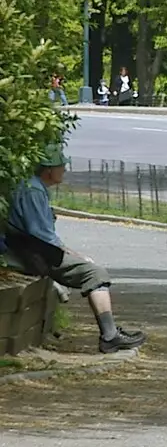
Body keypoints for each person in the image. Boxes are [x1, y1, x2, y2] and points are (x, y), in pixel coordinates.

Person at [3, 144, 145, 353]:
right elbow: (40, 233)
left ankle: (110, 333)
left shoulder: (34, 188)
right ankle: (109, 335)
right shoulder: (33, 191)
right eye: (61, 166)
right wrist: (70, 252)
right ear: (49, 170)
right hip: (34, 252)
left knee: (92, 270)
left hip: (33, 250)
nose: (65, 170)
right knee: (95, 273)